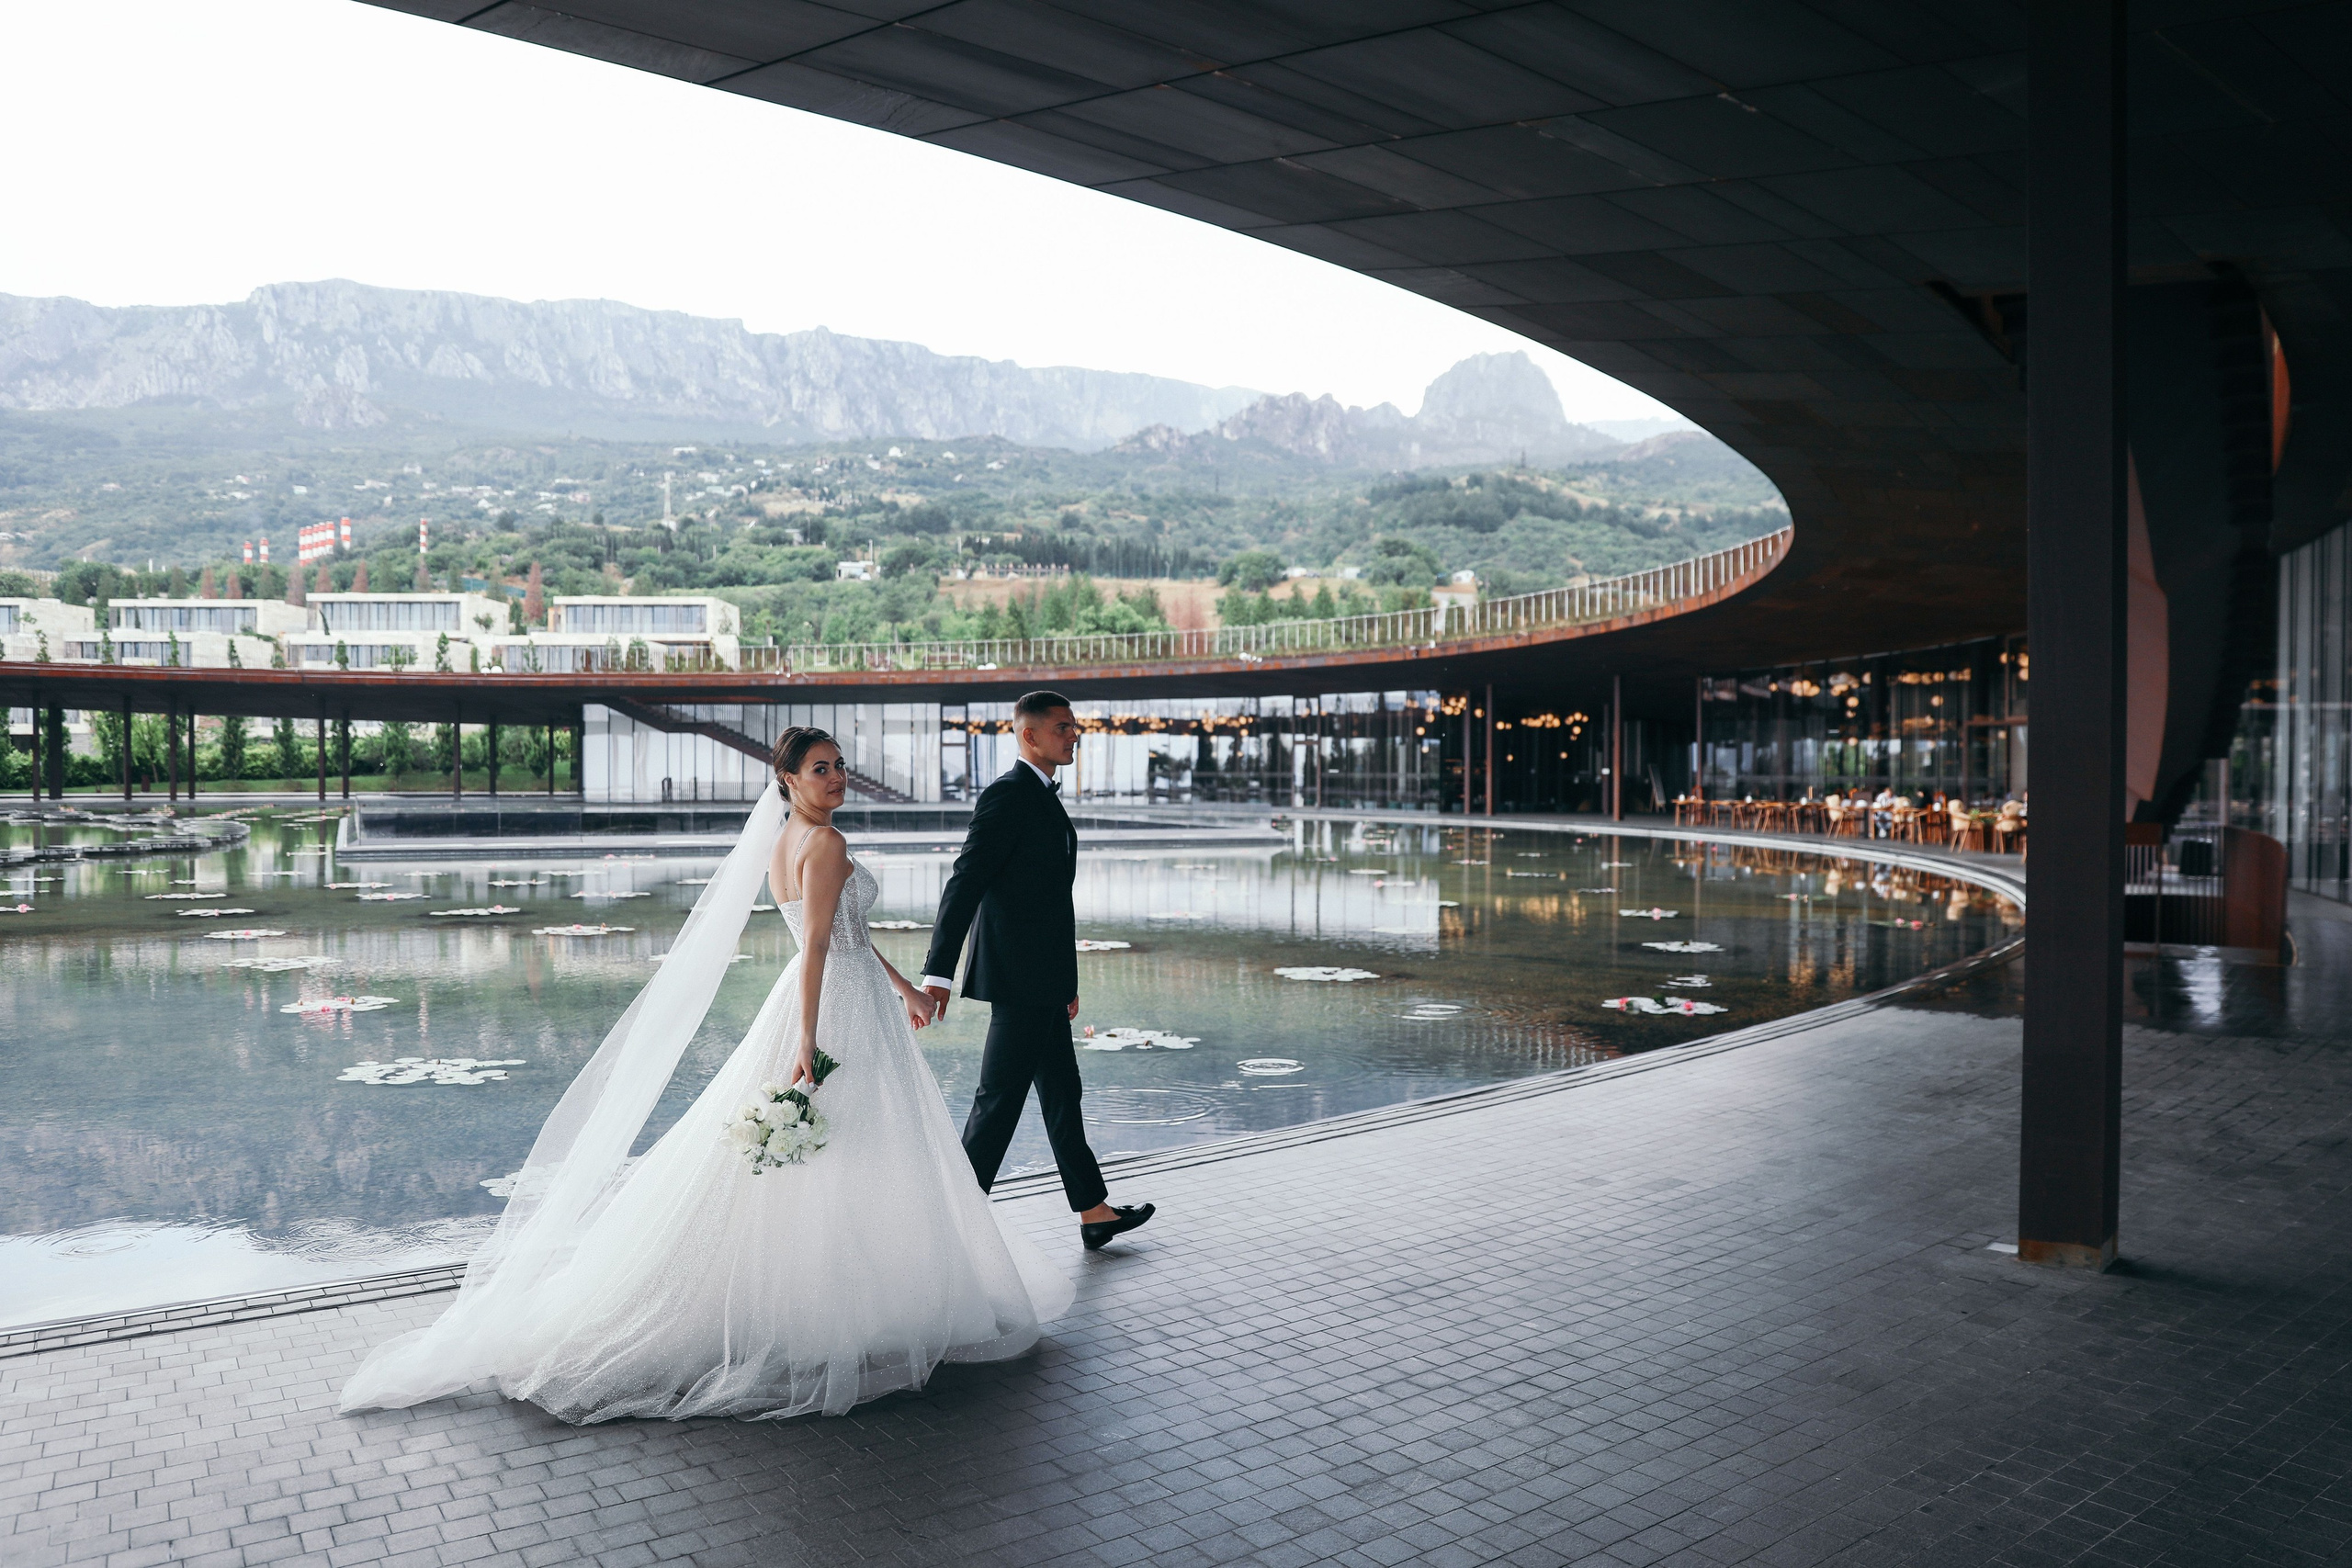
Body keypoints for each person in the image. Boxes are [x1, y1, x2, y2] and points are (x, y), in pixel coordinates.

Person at [338, 728, 1071, 1423]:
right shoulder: (828, 843)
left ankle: (847, 1293)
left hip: (839, 991)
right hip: (831, 1008)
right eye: (821, 768)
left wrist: (906, 987)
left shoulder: (788, 842)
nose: (838, 776)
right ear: (788, 779)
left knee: (840, 1153)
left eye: (841, 765)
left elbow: (841, 936)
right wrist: (810, 1040)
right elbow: (818, 947)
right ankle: (841, 1303)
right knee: (853, 1147)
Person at [922, 690, 1155, 1252]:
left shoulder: (1041, 796)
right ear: (1028, 735)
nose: (1073, 735)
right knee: (998, 1100)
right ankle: (951, 1225)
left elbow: (1052, 904)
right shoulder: (1009, 795)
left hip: (1043, 979)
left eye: (1074, 727)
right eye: (1061, 728)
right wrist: (938, 974)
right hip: (1020, 979)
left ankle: (1094, 1211)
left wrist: (1066, 982)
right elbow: (966, 882)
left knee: (1062, 1093)